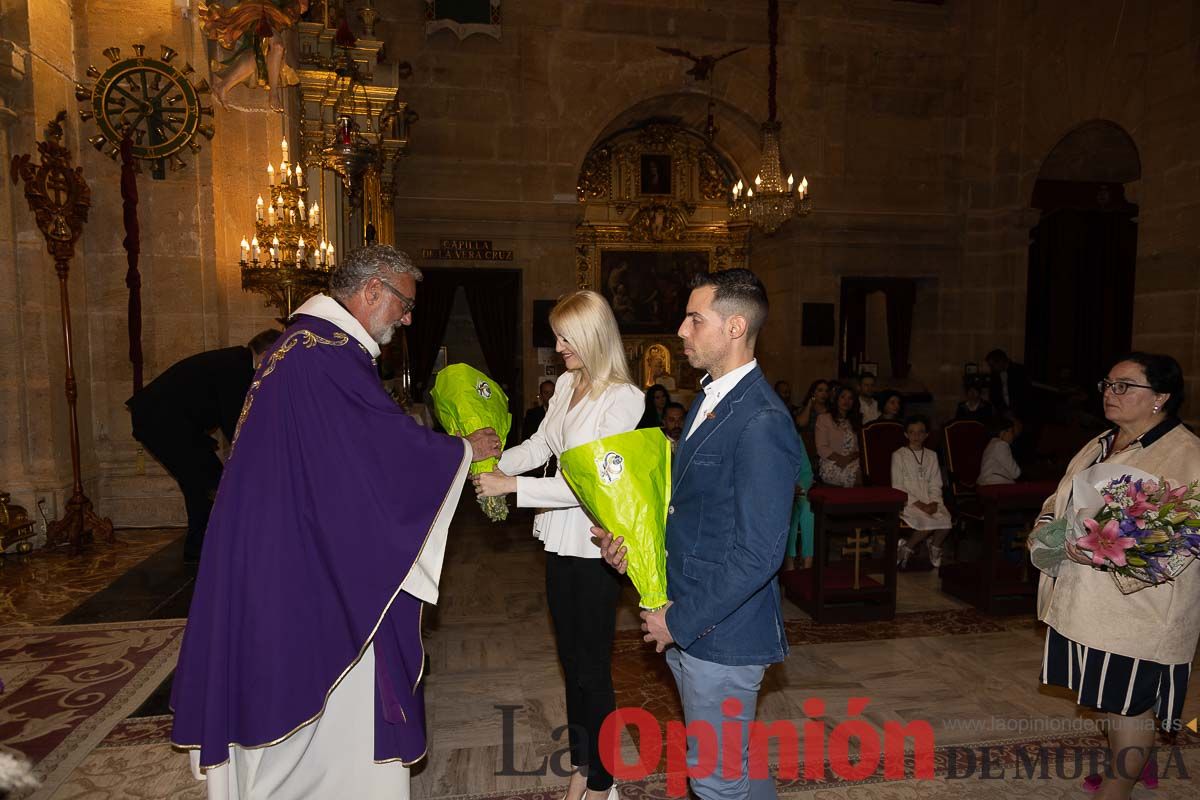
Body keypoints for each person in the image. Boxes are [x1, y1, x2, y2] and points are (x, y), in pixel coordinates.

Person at [170, 245, 502, 799]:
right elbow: (379, 453)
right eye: (405, 303)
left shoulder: (303, 348)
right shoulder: (325, 354)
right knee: (313, 672)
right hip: (301, 558)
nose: (409, 316)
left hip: (283, 540)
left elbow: (346, 455)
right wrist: (461, 449)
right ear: (372, 291)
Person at [596, 268, 802, 800]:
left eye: (694, 319)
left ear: (735, 327)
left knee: (714, 779)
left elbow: (759, 554)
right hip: (694, 620)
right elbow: (690, 515)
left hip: (721, 632)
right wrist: (633, 549)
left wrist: (679, 622)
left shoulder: (760, 421)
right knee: (736, 765)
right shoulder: (710, 400)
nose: (681, 331)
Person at [474, 290, 642, 800]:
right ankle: (583, 763)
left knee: (593, 665)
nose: (557, 345)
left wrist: (512, 488)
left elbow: (590, 483)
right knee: (570, 660)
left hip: (596, 544)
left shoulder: (624, 399)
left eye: (565, 336)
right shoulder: (568, 383)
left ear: (591, 335)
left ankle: (605, 779)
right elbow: (543, 444)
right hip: (559, 537)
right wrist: (497, 463)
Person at [1032, 353, 1200, 799]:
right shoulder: (1102, 442)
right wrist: (1047, 526)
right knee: (1103, 697)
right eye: (1107, 384)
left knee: (1130, 707)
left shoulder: (1184, 454)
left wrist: (1099, 549)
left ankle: (1118, 787)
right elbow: (1062, 495)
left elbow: (1178, 540)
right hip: (1082, 603)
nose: (1110, 393)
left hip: (1138, 611)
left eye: (1125, 386)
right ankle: (1130, 766)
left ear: (1161, 397)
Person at [127, 329, 281, 563]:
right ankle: (203, 548)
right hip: (161, 422)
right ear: (268, 353)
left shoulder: (236, 362)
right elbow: (236, 425)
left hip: (171, 424)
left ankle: (201, 546)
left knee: (202, 482)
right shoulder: (237, 368)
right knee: (206, 482)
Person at [892, 415, 952, 568]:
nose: (916, 436)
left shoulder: (932, 455)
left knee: (946, 522)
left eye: (920, 432)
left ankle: (935, 546)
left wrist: (934, 502)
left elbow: (935, 483)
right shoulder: (899, 455)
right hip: (909, 502)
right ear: (906, 434)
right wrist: (920, 505)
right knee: (926, 523)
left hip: (930, 501)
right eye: (912, 432)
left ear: (926, 435)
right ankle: (907, 547)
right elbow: (898, 486)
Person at [815, 386, 862, 487]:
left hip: (853, 461)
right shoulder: (824, 419)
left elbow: (860, 448)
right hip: (832, 463)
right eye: (843, 397)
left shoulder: (855, 421)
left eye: (850, 398)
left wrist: (850, 458)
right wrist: (841, 459)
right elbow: (822, 447)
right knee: (859, 476)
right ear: (836, 399)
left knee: (869, 472)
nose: (846, 401)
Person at [977, 417, 1021, 486]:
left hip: (987, 483)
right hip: (995, 484)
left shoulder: (992, 444)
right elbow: (1015, 473)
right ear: (1003, 432)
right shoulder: (1001, 445)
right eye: (1011, 431)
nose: (1013, 435)